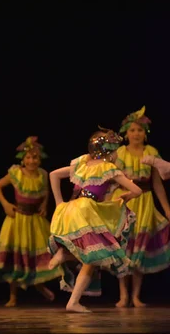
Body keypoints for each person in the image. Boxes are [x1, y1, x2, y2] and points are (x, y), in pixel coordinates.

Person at [47, 128, 142, 313]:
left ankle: (65, 259)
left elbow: (53, 174)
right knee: (93, 257)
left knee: (91, 258)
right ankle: (66, 259)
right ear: (111, 152)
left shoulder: (83, 164)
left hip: (71, 208)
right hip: (87, 210)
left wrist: (59, 202)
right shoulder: (109, 169)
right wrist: (127, 196)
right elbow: (137, 190)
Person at [0, 137, 62, 307]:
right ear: (23, 159)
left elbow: (45, 191)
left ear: (40, 159)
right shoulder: (16, 173)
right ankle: (13, 296)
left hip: (35, 220)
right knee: (16, 257)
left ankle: (39, 285)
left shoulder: (43, 174)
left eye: (35, 157)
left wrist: (44, 205)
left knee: (36, 257)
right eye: (28, 157)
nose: (31, 161)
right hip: (18, 220)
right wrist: (5, 204)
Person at [111, 106, 170, 308]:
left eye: (140, 130)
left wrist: (167, 209)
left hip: (145, 203)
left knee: (139, 249)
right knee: (123, 248)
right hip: (124, 200)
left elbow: (157, 183)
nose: (136, 133)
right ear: (126, 134)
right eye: (132, 130)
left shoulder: (151, 153)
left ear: (145, 134)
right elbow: (110, 180)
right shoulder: (119, 153)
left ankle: (136, 295)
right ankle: (123, 294)